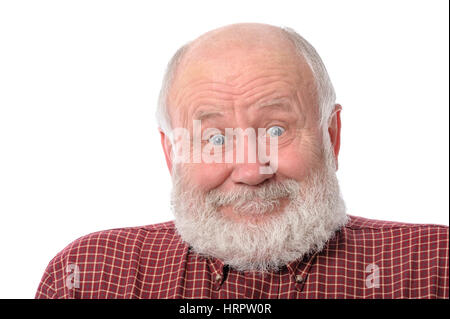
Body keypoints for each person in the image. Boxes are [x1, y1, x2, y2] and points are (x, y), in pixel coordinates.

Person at [35, 23, 448, 299]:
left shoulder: (435, 268)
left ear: (332, 135)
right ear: (171, 153)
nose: (251, 171)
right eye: (215, 139)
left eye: (275, 130)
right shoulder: (87, 277)